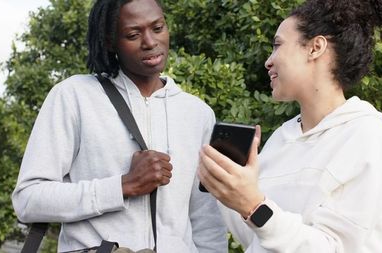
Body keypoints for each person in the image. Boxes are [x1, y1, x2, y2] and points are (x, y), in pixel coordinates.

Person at [12, 0, 227, 252]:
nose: (149, 42)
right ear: (110, 41)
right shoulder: (74, 96)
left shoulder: (198, 114)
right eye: (133, 34)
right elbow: (28, 199)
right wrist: (123, 185)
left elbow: (206, 219)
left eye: (157, 28)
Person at [198, 0, 382, 252]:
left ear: (315, 47)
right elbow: (256, 240)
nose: (268, 61)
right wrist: (227, 190)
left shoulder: (367, 134)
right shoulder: (282, 138)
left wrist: (254, 205)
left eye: (277, 45)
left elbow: (336, 247)